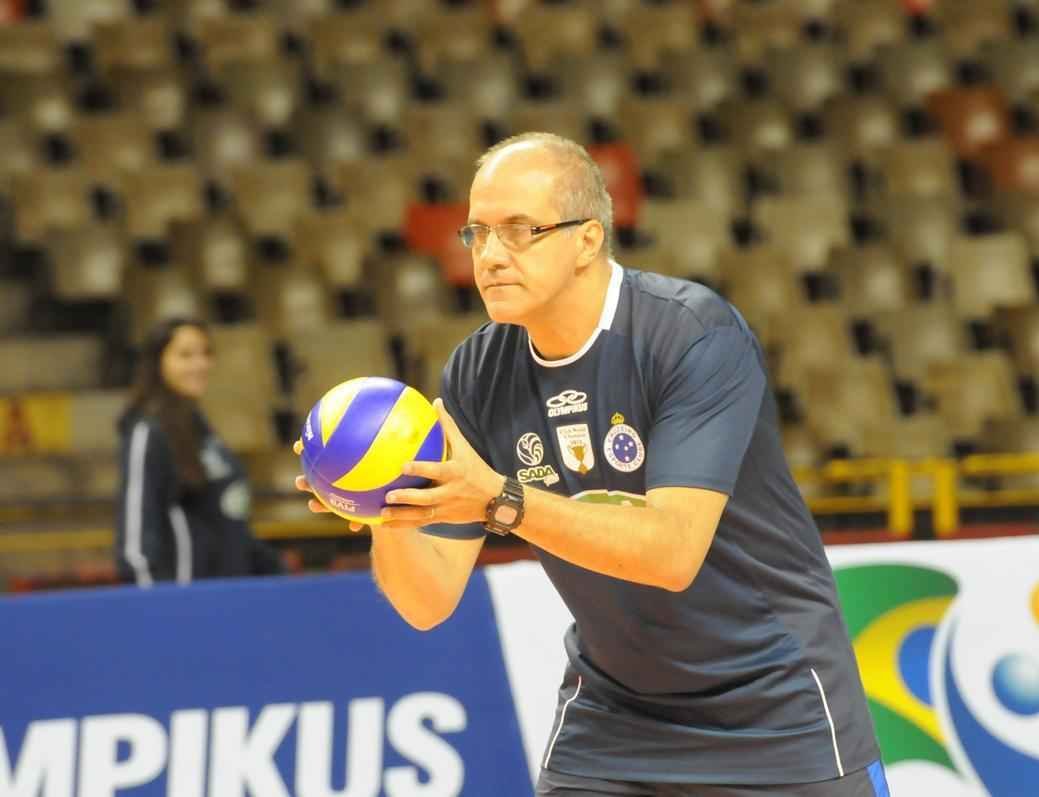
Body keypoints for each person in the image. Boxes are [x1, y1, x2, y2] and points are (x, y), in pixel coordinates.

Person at [296, 133, 890, 796]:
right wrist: (387, 504)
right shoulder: (476, 371)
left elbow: (671, 552)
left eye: (520, 230)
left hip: (774, 708)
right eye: (478, 232)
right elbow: (428, 601)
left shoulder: (691, 334)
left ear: (587, 239)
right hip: (616, 716)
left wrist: (499, 498)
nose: (490, 256)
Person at [116, 317, 282, 586]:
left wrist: (273, 569)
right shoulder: (147, 432)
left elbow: (224, 522)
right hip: (190, 602)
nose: (200, 364)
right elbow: (136, 540)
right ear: (157, 362)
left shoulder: (200, 428)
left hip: (229, 596)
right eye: (185, 355)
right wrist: (160, 607)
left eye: (205, 353)